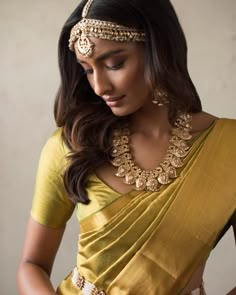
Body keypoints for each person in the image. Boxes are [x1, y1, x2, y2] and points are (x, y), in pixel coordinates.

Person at [17, 0, 236, 294]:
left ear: (159, 51)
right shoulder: (72, 146)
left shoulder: (228, 146)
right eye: (87, 70)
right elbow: (32, 264)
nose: (99, 86)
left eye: (114, 64)